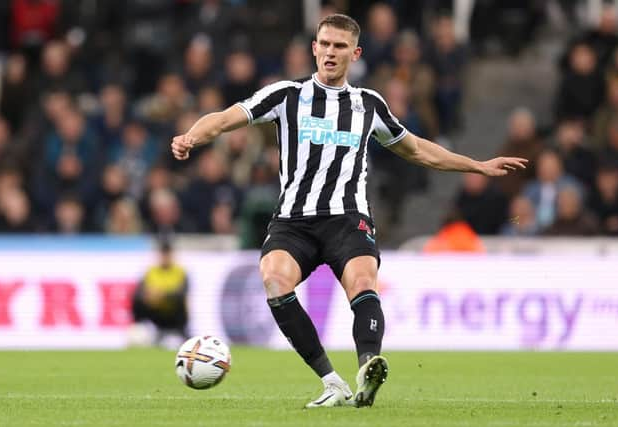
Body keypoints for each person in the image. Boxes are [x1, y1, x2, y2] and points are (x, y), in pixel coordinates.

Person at [171, 13, 527, 408]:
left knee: (362, 281)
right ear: (314, 48)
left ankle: (367, 368)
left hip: (347, 217)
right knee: (274, 279)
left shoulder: (368, 104)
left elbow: (419, 149)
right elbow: (224, 119)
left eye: (339, 46)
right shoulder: (285, 95)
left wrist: (476, 165)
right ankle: (331, 382)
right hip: (294, 220)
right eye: (324, 43)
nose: (329, 52)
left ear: (354, 53)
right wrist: (191, 136)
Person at [130, 239, 189, 348]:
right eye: (163, 253)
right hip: (156, 314)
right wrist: (147, 296)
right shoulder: (151, 272)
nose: (165, 257)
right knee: (137, 302)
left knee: (180, 302)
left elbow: (181, 294)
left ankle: (181, 334)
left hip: (175, 314)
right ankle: (140, 329)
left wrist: (162, 295)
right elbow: (138, 293)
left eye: (168, 253)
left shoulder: (180, 272)